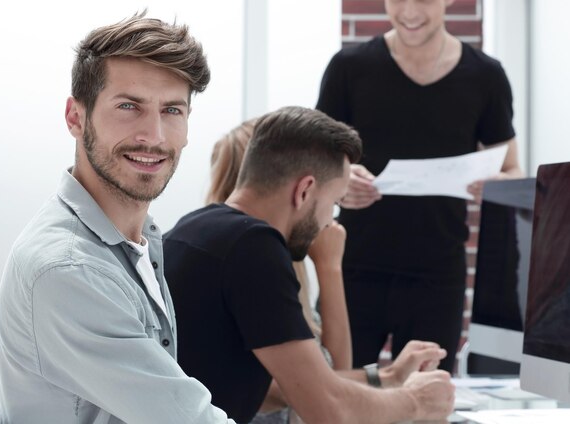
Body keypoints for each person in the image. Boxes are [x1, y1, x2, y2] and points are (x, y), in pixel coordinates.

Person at [0, 12, 236, 423]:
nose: (155, 136)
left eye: (172, 111)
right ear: (76, 117)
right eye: (129, 106)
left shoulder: (138, 241)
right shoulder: (70, 268)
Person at [163, 106, 455, 424]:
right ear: (304, 191)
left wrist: (389, 379)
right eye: (333, 203)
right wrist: (415, 402)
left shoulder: (197, 228)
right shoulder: (254, 247)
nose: (329, 221)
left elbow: (296, 388)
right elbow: (328, 410)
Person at [315, 0, 523, 372]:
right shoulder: (349, 67)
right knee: (336, 386)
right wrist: (342, 181)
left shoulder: (486, 76)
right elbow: (317, 162)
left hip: (437, 273)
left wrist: (495, 184)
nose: (409, 11)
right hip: (356, 265)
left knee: (424, 397)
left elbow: (511, 170)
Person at [204, 119, 352, 423]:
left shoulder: (211, 236)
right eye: (333, 202)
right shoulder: (257, 256)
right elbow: (325, 390)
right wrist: (329, 266)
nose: (331, 218)